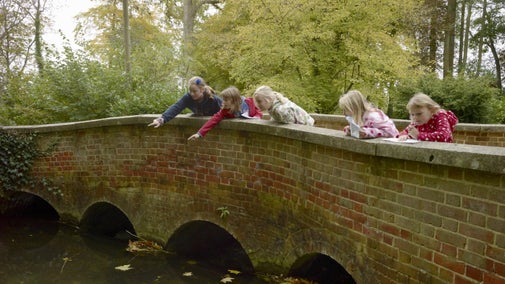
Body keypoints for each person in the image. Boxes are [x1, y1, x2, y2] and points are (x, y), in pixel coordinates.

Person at [188, 86, 262, 140]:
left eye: (226, 100)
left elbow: (258, 111)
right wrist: (199, 133)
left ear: (234, 100)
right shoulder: (225, 110)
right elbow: (213, 120)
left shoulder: (249, 102)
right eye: (223, 100)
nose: (223, 102)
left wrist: (257, 117)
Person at [148, 76, 222, 128]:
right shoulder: (188, 98)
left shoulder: (213, 99)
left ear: (202, 90)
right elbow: (176, 107)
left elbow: (228, 110)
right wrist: (161, 120)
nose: (192, 94)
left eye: (194, 91)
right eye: (190, 91)